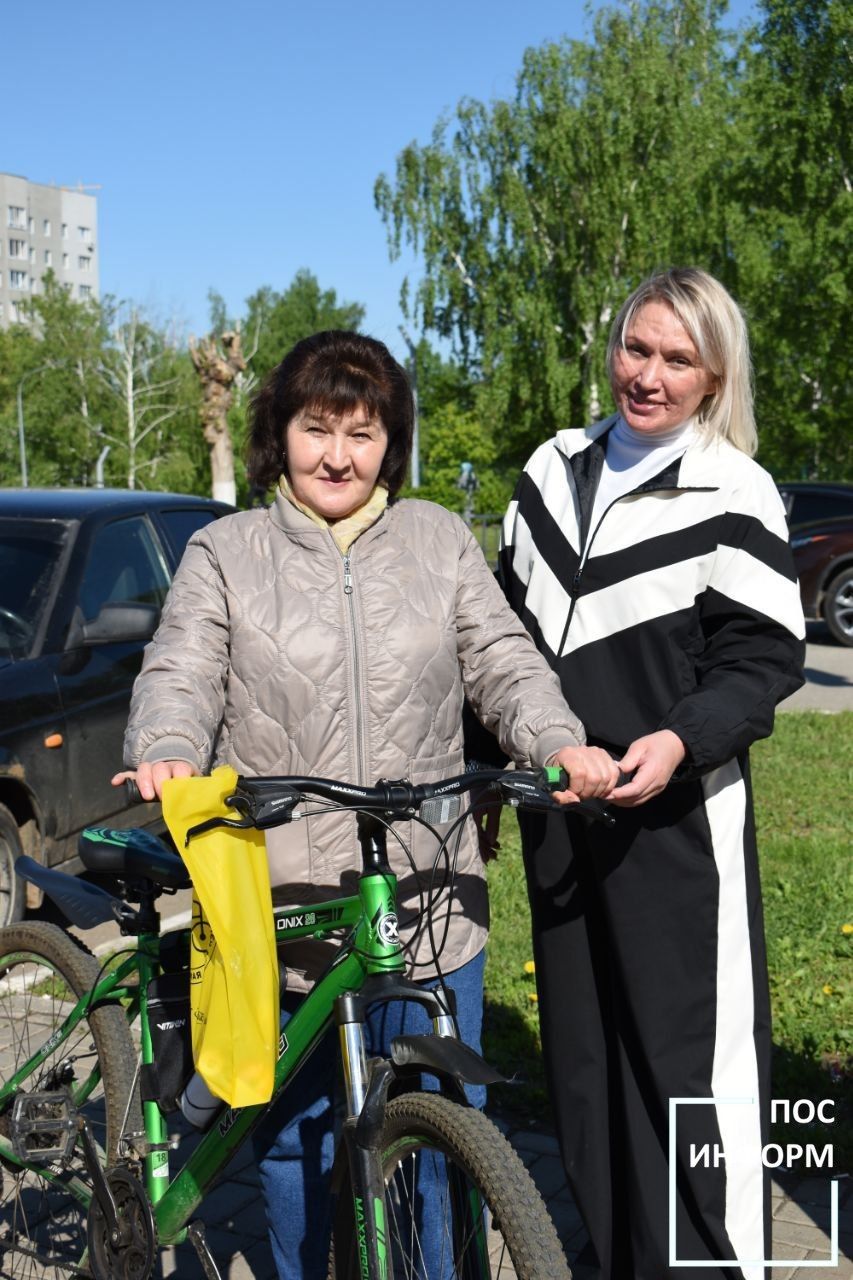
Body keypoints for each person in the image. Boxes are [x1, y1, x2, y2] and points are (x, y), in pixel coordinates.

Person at [114, 329, 618, 1279]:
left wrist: (556, 742)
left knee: (443, 1142)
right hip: (286, 909)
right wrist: (169, 746)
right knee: (294, 1148)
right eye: (317, 428)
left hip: (428, 901)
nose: (338, 456)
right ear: (279, 434)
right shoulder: (226, 552)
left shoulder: (437, 539)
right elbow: (181, 667)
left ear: (392, 442)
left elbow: (502, 660)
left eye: (363, 432)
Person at [499, 269, 805, 1280]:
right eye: (638, 348)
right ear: (613, 346)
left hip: (675, 830)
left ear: (714, 374)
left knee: (687, 1070)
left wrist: (677, 742)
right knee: (584, 1064)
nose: (650, 375)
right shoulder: (550, 469)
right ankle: (618, 1253)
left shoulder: (735, 488)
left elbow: (761, 662)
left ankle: (714, 1266)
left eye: (678, 359)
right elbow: (501, 640)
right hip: (559, 817)